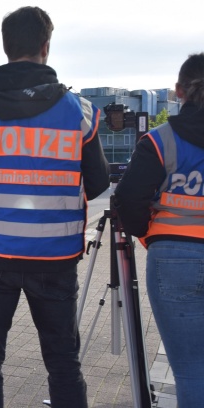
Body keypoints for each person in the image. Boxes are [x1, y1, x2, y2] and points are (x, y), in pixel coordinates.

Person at [0, 6, 109, 408]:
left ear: (5, 46)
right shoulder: (79, 112)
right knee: (64, 363)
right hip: (56, 256)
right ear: (46, 47)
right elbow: (98, 182)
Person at [114, 53, 204, 407]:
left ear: (178, 91)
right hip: (174, 256)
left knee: (192, 371)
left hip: (174, 259)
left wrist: (152, 235)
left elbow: (128, 199)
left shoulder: (160, 140)